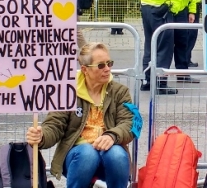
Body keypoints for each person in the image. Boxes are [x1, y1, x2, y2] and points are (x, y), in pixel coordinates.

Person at [26, 42, 134, 188]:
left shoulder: (120, 92)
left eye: (109, 63)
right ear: (84, 69)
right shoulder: (67, 91)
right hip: (78, 156)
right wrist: (42, 136)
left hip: (110, 154)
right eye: (101, 65)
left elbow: (129, 123)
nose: (107, 69)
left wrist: (112, 136)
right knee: (87, 153)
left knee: (117, 154)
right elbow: (55, 124)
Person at [137, 0, 187, 95]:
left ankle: (147, 81)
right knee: (164, 48)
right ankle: (160, 83)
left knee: (149, 46)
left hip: (146, 9)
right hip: (162, 11)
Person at [171, 0, 199, 83]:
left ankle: (182, 74)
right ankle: (158, 77)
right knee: (165, 45)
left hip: (183, 10)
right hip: (168, 10)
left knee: (183, 42)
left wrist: (192, 10)